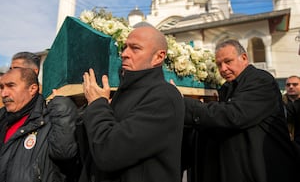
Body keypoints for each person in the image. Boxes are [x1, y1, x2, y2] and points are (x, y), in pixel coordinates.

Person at [183, 39, 300, 182]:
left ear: (244, 58)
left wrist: (186, 105)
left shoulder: (261, 80)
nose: (223, 69)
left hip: (265, 169)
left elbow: (234, 115)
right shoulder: (227, 88)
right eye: (219, 64)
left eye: (228, 61)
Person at [79, 26, 185, 182]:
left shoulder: (164, 97)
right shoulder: (126, 91)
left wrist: (97, 105)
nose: (124, 54)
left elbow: (109, 152)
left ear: (158, 57)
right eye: (124, 47)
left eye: (135, 48)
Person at [0, 68, 78, 182]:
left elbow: (64, 153)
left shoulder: (51, 120)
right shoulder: (3, 121)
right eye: (1, 87)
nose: (4, 93)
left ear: (32, 89)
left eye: (11, 86)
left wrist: (62, 106)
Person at [282, 75, 300, 144]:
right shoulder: (279, 103)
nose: (291, 87)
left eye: (295, 84)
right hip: (286, 142)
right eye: (288, 85)